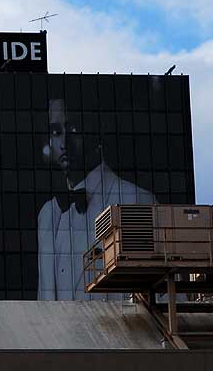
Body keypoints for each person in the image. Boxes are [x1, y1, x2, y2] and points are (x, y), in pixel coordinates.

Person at [37, 98, 156, 300]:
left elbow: (154, 291)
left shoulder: (135, 200)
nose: (64, 143)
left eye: (73, 130)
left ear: (96, 134)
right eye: (56, 132)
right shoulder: (48, 214)